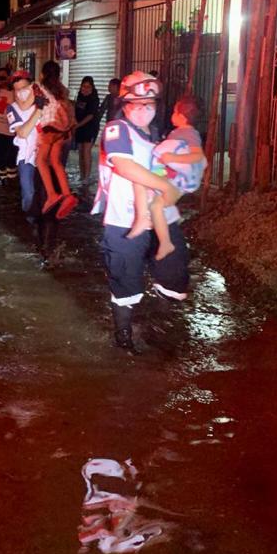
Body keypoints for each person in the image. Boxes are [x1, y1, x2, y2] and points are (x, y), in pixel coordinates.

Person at [99, 71, 190, 355]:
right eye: (137, 104)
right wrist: (164, 185)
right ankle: (124, 338)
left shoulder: (157, 135)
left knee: (176, 277)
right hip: (124, 218)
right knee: (125, 281)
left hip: (163, 216)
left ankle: (157, 327)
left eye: (149, 104)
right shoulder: (116, 129)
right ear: (124, 104)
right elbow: (125, 167)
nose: (143, 111)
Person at [127, 94, 208, 261]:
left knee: (155, 204)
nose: (171, 115)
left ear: (181, 116)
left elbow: (197, 155)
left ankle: (164, 242)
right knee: (157, 203)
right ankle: (162, 235)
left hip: (180, 181)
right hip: (178, 179)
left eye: (174, 112)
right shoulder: (183, 132)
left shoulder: (188, 133)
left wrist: (172, 158)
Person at [36, 61, 77, 219]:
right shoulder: (62, 89)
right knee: (55, 161)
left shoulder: (40, 88)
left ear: (44, 73)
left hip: (49, 130)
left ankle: (52, 194)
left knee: (41, 161)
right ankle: (67, 194)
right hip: (62, 131)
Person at [7, 70, 44, 216]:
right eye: (17, 90)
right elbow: (22, 133)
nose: (20, 92)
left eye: (24, 88)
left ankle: (43, 222)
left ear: (31, 87)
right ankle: (30, 220)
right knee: (28, 192)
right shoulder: (12, 108)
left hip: (44, 155)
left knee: (43, 191)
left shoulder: (43, 101)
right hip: (26, 157)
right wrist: (38, 112)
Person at [74, 77, 102, 186]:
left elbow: (91, 116)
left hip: (90, 127)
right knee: (81, 152)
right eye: (83, 86)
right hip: (80, 127)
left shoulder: (94, 99)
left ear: (92, 87)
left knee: (86, 151)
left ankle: (87, 177)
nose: (85, 89)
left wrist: (77, 125)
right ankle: (82, 175)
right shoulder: (79, 96)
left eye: (88, 87)